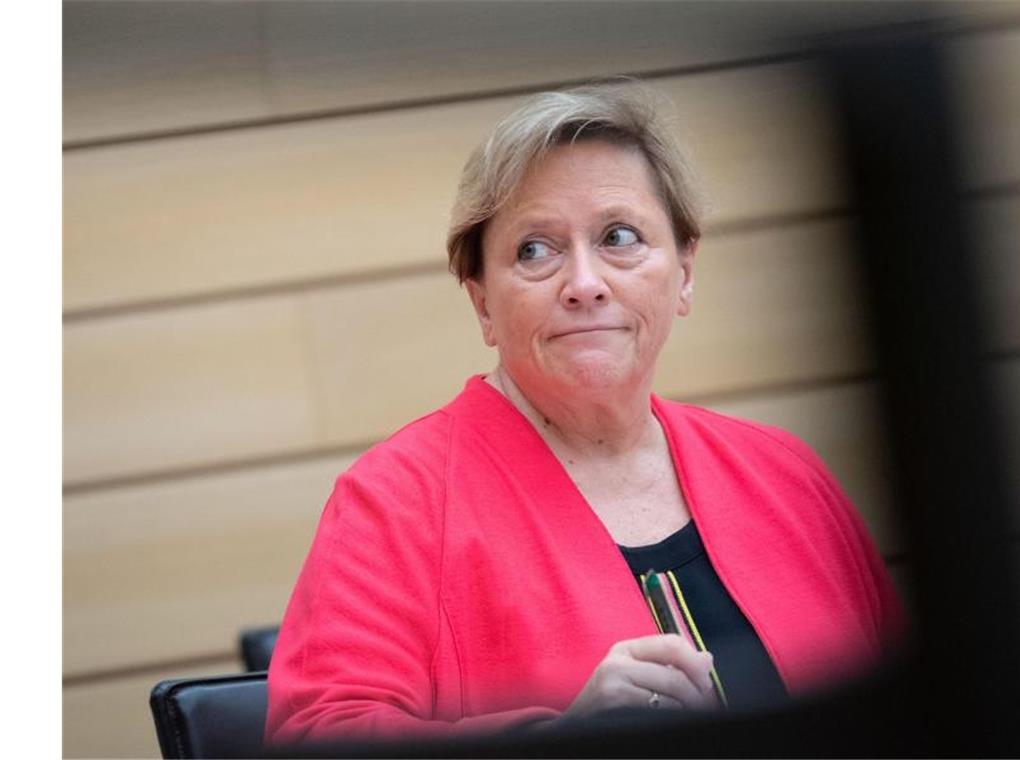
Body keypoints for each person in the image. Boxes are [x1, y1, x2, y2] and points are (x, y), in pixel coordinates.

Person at [265, 81, 905, 746]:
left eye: (619, 237)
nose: (584, 284)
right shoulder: (395, 505)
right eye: (535, 250)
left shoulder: (785, 474)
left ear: (684, 272)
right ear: (482, 301)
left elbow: (918, 704)